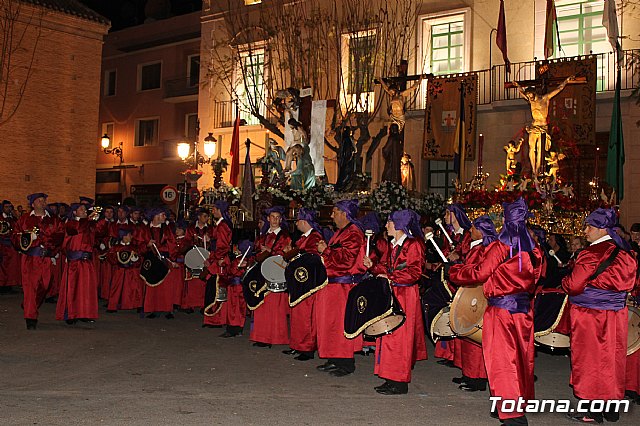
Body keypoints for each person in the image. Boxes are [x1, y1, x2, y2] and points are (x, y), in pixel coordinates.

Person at [449, 197, 543, 425]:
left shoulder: (502, 246)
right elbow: (538, 277)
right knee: (522, 359)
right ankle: (512, 404)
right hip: (523, 310)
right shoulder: (535, 248)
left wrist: (455, 272)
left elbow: (481, 273)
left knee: (502, 362)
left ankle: (513, 417)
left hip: (501, 311)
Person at [562, 208, 637, 423]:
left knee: (589, 360)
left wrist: (567, 282)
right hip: (616, 314)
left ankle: (591, 410)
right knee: (612, 358)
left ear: (602, 229)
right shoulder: (626, 253)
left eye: (589, 227)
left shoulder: (592, 253)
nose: (585, 231)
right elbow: (632, 282)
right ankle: (611, 407)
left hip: (590, 315)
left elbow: (574, 284)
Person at [363, 209, 427, 395]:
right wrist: (373, 266)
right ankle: (390, 376)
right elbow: (385, 266)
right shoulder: (394, 245)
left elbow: (415, 272)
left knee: (401, 338)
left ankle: (399, 381)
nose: (386, 226)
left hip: (405, 294)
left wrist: (389, 276)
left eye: (389, 222)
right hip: (394, 291)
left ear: (399, 225)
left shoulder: (413, 245)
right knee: (388, 334)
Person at [316, 199, 366, 377]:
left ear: (345, 214)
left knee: (340, 324)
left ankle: (346, 362)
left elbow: (346, 260)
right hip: (334, 285)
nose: (331, 215)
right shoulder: (341, 232)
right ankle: (334, 357)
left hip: (344, 287)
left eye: (334, 211)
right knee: (330, 324)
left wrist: (326, 251)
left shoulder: (354, 233)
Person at [450, 216, 498, 393]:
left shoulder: (483, 249)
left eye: (473, 228)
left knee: (474, 338)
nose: (470, 230)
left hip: (476, 295)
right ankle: (468, 373)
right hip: (469, 292)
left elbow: (475, 271)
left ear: (481, 231)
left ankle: (477, 378)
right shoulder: (476, 247)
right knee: (466, 336)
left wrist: (457, 267)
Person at [12, 193, 64, 330]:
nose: (43, 202)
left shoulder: (53, 219)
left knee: (45, 285)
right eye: (39, 200)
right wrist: (27, 237)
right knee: (30, 288)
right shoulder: (24, 219)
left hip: (46, 258)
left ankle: (29, 304)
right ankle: (30, 317)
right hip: (30, 259)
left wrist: (51, 247)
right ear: (33, 204)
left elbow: (60, 236)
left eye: (44, 200)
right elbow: (15, 237)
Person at [282, 208, 324, 361]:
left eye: (298, 220)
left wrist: (295, 253)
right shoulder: (303, 238)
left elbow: (311, 258)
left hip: (308, 284)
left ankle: (307, 349)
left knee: (306, 317)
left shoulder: (315, 237)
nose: (297, 223)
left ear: (304, 222)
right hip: (298, 281)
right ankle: (296, 345)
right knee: (296, 315)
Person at [512, 75, 574, 176]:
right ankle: (534, 170)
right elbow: (522, 93)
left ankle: (538, 170)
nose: (530, 98)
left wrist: (566, 81)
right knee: (531, 148)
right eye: (528, 97)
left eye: (531, 96)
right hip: (534, 126)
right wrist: (518, 86)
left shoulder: (545, 98)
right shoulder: (530, 100)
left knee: (540, 149)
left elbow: (559, 89)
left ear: (534, 93)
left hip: (542, 126)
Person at [250, 206, 291, 347]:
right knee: (261, 304)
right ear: (268, 219)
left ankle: (274, 338)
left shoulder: (285, 236)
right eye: (272, 217)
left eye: (277, 217)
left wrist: (271, 251)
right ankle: (261, 337)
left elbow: (286, 254)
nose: (274, 220)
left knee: (274, 307)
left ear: (280, 219)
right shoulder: (262, 236)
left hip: (276, 273)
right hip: (261, 272)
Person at [56, 203, 100, 324]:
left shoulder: (88, 224)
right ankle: (71, 314)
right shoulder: (71, 224)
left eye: (85, 209)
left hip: (87, 261)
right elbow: (77, 230)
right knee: (73, 289)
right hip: (75, 262)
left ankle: (85, 313)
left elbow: (100, 233)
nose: (85, 211)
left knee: (86, 289)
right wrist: (88, 220)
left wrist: (95, 222)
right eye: (81, 209)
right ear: (74, 212)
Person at [135, 207, 180, 319]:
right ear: (155, 216)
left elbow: (173, 244)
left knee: (166, 286)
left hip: (164, 260)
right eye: (163, 214)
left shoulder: (167, 229)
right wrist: (147, 245)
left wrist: (172, 259)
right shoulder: (144, 230)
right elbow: (138, 246)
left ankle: (167, 309)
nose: (165, 217)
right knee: (152, 286)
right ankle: (154, 309)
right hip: (151, 260)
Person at [202, 201, 233, 327]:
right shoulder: (219, 225)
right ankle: (212, 318)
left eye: (214, 209)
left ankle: (217, 319)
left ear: (220, 210)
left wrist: (213, 259)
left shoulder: (223, 226)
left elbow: (223, 246)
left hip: (219, 261)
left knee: (217, 289)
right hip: (216, 258)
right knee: (214, 288)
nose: (212, 211)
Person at [218, 239, 252, 338]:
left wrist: (228, 265)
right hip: (241, 287)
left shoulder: (240, 260)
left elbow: (231, 272)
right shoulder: (248, 259)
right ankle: (238, 329)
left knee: (233, 309)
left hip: (235, 287)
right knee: (240, 309)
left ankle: (232, 329)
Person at [183, 208, 214, 311]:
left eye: (208, 216)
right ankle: (190, 304)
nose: (207, 218)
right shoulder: (191, 228)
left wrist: (209, 241)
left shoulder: (210, 229)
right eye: (205, 216)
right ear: (199, 217)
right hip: (193, 255)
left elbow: (215, 242)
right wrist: (193, 241)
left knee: (203, 280)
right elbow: (186, 242)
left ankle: (202, 304)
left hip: (206, 256)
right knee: (192, 281)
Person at [106, 228, 143, 312]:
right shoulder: (116, 248)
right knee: (116, 288)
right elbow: (110, 258)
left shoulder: (134, 247)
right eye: (130, 235)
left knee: (135, 287)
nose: (131, 237)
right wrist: (116, 259)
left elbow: (139, 260)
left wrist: (135, 260)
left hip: (131, 270)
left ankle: (137, 305)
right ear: (124, 236)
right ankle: (113, 306)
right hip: (119, 270)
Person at [0, 200, 21, 292]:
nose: (8, 209)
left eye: (10, 207)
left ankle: (9, 285)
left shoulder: (12, 219)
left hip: (11, 246)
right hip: (2, 245)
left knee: (11, 267)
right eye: (6, 207)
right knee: (2, 266)